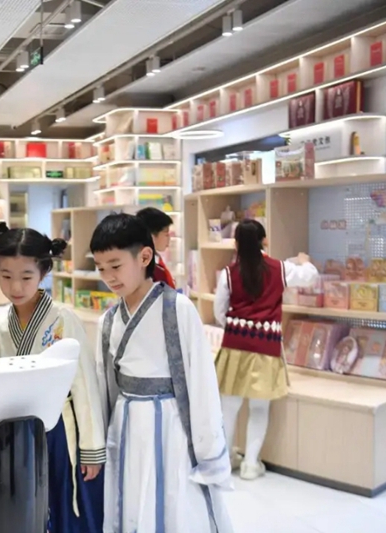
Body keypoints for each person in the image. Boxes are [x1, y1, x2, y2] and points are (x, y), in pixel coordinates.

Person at [91, 213, 233, 533]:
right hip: (125, 424)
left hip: (170, 424)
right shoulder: (109, 321)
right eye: (101, 269)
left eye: (115, 266)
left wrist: (207, 449)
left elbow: (201, 381)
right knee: (130, 501)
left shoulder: (177, 309)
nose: (109, 277)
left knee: (173, 501)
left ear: (144, 257)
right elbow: (104, 386)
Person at [0, 222, 105, 533]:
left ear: (43, 273)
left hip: (61, 431)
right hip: (20, 432)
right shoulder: (0, 327)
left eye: (26, 277)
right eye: (6, 276)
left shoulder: (63, 320)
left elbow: (85, 387)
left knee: (64, 504)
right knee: (29, 510)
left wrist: (91, 449)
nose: (16, 286)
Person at [214, 219, 318, 480]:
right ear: (265, 241)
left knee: (228, 408)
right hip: (266, 346)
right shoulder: (280, 269)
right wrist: (304, 261)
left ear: (236, 244)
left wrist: (237, 327)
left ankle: (225, 460)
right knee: (259, 408)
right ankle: (251, 464)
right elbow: (310, 277)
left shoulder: (228, 273)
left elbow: (219, 311)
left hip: (235, 346)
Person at [135, 207, 176, 288]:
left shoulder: (155, 260)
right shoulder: (149, 270)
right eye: (166, 234)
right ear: (151, 236)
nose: (169, 238)